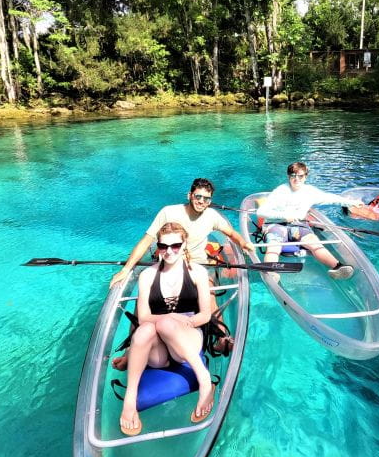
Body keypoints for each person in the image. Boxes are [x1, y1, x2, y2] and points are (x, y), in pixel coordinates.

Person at [109, 177, 253, 371]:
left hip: (197, 265)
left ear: (210, 200)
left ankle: (221, 338)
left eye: (206, 199)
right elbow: (146, 241)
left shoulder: (211, 216)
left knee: (209, 293)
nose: (201, 201)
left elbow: (231, 233)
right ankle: (131, 351)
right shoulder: (169, 212)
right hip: (168, 261)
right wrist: (126, 269)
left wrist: (243, 243)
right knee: (142, 301)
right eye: (198, 196)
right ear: (190, 195)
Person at [119, 222, 215, 436]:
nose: (169, 251)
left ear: (184, 244)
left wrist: (181, 321)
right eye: (163, 246)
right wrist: (170, 317)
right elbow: (143, 317)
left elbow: (205, 315)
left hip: (187, 333)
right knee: (144, 330)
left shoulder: (198, 272)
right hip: (159, 346)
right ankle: (130, 399)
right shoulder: (147, 275)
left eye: (175, 246)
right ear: (158, 247)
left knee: (165, 324)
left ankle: (205, 382)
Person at [255, 162, 363, 280]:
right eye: (293, 176)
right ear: (288, 176)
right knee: (274, 246)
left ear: (305, 176)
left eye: (300, 176)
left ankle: (338, 267)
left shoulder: (310, 192)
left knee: (314, 242)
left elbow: (330, 198)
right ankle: (271, 273)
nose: (296, 179)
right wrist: (284, 216)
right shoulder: (280, 191)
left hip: (298, 225)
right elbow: (261, 212)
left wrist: (351, 202)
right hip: (276, 224)